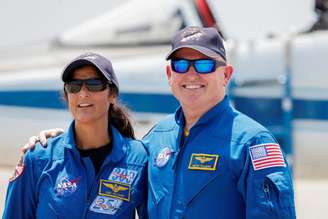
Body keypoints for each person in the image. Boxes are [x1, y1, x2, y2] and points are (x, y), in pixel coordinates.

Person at [21, 27, 296, 219]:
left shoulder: (252, 143)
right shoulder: (155, 140)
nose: (191, 74)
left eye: (203, 65)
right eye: (180, 65)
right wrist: (57, 144)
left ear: (226, 75)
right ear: (169, 74)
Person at [2, 52, 148, 219]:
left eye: (94, 84)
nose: (83, 93)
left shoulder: (139, 159)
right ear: (67, 95)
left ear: (112, 94)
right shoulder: (38, 158)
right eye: (74, 86)